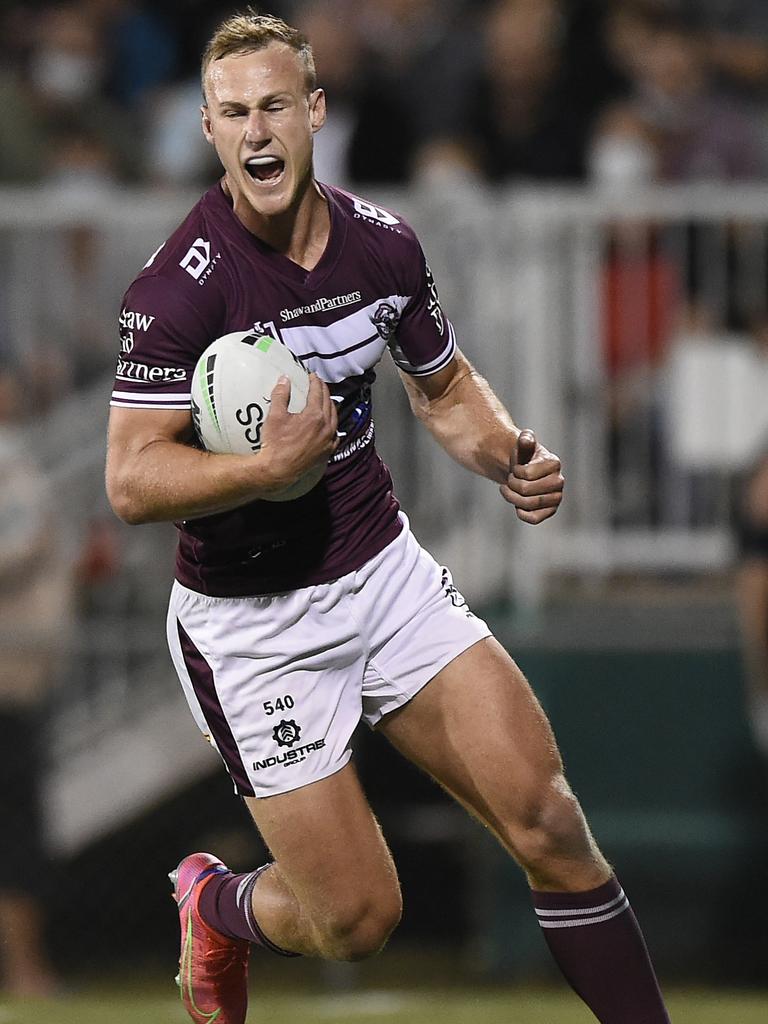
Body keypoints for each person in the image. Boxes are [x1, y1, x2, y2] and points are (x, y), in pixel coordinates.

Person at [104, 11, 671, 1024]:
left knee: (547, 816)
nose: (257, 132)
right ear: (208, 129)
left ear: (315, 111)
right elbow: (132, 481)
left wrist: (508, 453)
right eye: (233, 113)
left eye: (275, 104)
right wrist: (262, 469)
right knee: (360, 918)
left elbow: (443, 389)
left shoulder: (382, 245)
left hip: (381, 575)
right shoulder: (181, 288)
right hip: (252, 627)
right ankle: (218, 902)